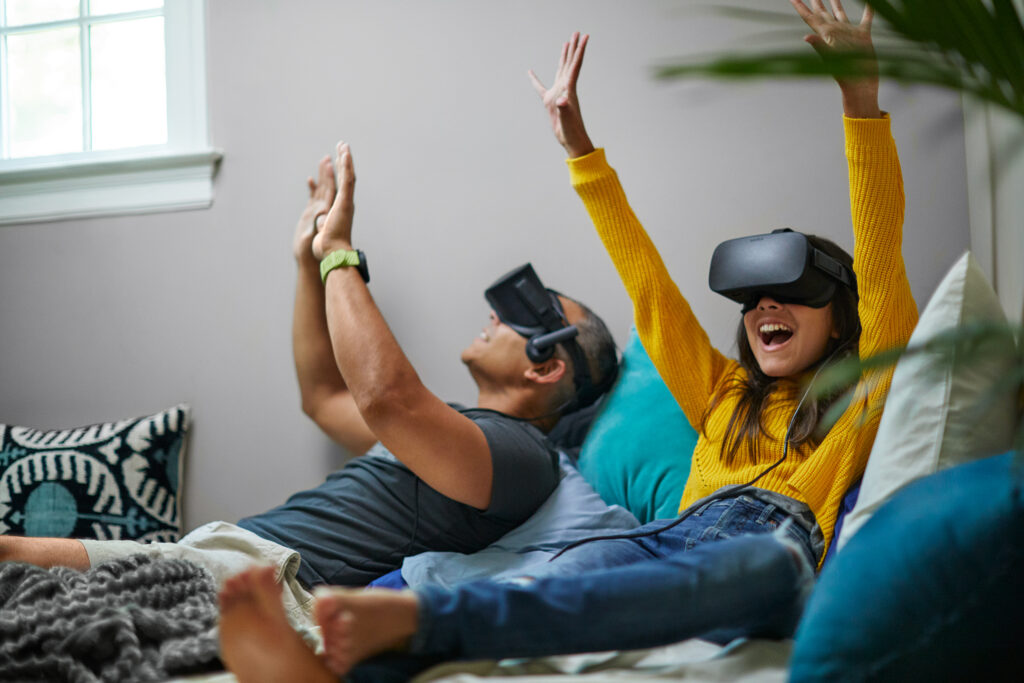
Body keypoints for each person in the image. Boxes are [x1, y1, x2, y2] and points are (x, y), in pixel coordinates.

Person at [215, 1, 919, 680]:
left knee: (764, 568)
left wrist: (861, 101)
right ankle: (344, 668)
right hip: (659, 543)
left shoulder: (862, 397)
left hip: (769, 548)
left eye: (791, 294)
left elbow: (882, 260)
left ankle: (414, 630)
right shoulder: (724, 397)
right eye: (754, 299)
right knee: (558, 575)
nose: (766, 306)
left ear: (841, 317)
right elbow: (652, 291)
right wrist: (581, 150)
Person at [0, 139, 619, 620]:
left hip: (265, 583)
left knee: (11, 559)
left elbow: (388, 400)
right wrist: (308, 261)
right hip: (227, 558)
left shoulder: (523, 457)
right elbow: (326, 398)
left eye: (525, 311)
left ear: (546, 364)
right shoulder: (459, 436)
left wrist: (340, 251)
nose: (493, 314)